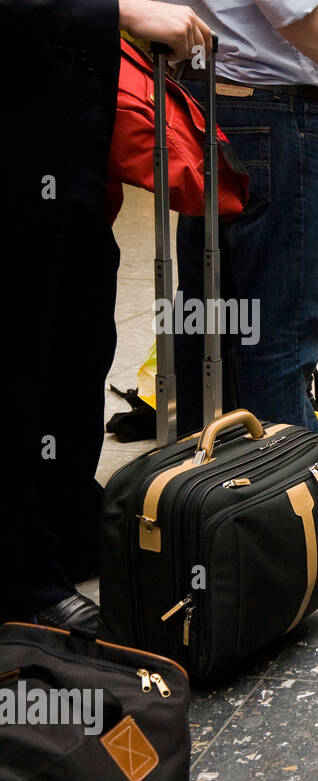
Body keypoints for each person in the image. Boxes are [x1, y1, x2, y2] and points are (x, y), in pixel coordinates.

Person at [0, 0, 213, 627]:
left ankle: (63, 524)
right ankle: (19, 578)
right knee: (18, 363)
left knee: (77, 347)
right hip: (16, 157)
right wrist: (117, 12)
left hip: (71, 162)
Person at [167, 0, 318, 532]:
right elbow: (291, 9)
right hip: (275, 110)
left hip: (202, 103)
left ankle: (206, 471)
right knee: (283, 319)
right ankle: (308, 497)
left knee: (210, 313)